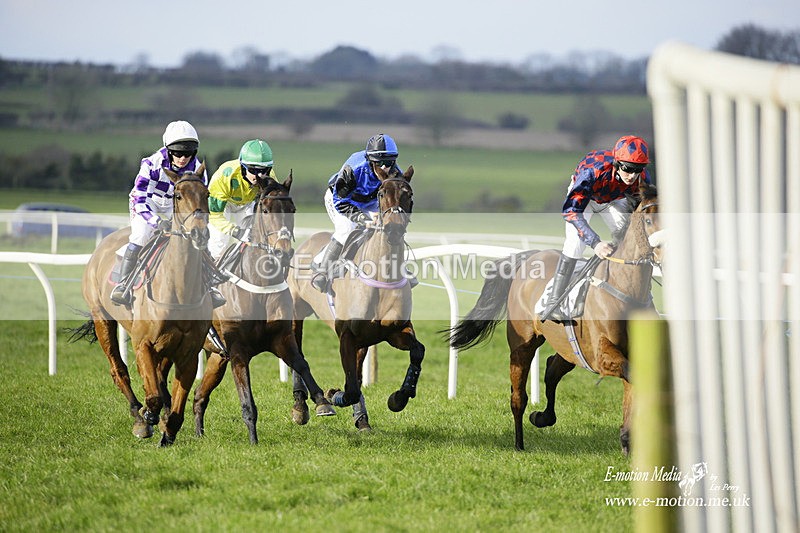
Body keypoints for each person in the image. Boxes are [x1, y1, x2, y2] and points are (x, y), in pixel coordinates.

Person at [110, 120, 225, 308]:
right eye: (178, 153)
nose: (183, 158)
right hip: (149, 204)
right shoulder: (151, 164)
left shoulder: (198, 170)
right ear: (169, 150)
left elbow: (200, 203)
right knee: (142, 234)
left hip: (178, 208)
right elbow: (140, 199)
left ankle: (210, 286)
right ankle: (124, 284)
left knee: (199, 237)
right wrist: (156, 222)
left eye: (188, 153)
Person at [540, 135, 652, 321]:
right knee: (576, 244)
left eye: (638, 169)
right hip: (585, 200)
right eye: (628, 169)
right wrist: (596, 243)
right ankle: (554, 301)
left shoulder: (641, 178)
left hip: (612, 200)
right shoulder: (593, 171)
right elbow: (571, 212)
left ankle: (634, 292)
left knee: (626, 236)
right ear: (617, 163)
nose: (632, 175)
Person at [310, 133, 401, 292]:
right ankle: (322, 271)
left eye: (389, 162)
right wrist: (362, 218)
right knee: (347, 229)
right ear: (370, 160)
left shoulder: (395, 173)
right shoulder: (353, 169)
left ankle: (398, 268)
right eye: (380, 163)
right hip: (341, 199)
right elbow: (341, 202)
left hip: (369, 201)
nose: (385, 167)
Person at [207, 139, 277, 260]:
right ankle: (212, 274)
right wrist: (235, 231)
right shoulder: (224, 175)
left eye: (264, 171)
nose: (259, 176)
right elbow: (215, 216)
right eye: (253, 170)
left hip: (247, 203)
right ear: (243, 167)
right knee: (219, 242)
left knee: (255, 240)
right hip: (225, 205)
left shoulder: (271, 178)